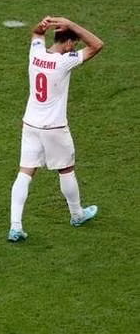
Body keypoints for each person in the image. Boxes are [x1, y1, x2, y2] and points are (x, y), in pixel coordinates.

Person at [8, 16, 104, 242]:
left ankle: (15, 226)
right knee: (66, 170)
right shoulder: (65, 61)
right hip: (55, 127)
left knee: (25, 172)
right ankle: (77, 215)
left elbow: (36, 34)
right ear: (70, 44)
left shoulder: (36, 53)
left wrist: (41, 27)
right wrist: (71, 24)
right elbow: (97, 45)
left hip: (30, 124)